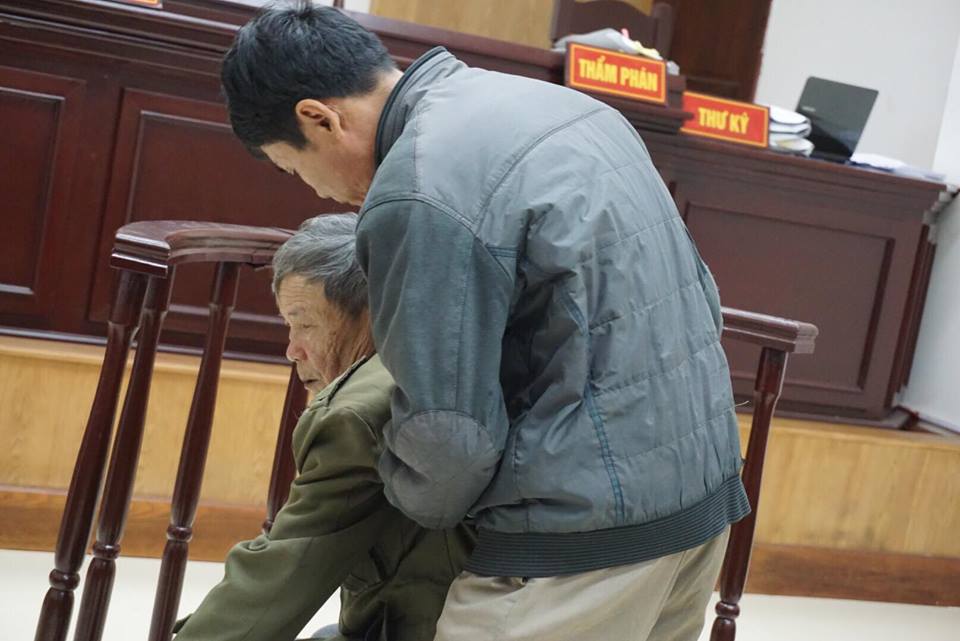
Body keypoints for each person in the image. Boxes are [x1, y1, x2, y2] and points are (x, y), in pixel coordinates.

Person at [221, 5, 748, 640]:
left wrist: (389, 488)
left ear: (319, 118)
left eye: (293, 166)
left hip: (581, 537)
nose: (314, 190)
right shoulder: (567, 107)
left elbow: (448, 445)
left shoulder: (417, 184)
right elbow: (700, 297)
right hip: (702, 502)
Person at [173, 214, 474, 641]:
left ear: (370, 312)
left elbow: (281, 572)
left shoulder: (357, 414)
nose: (292, 349)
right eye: (288, 326)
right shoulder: (449, 348)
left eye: (305, 324)